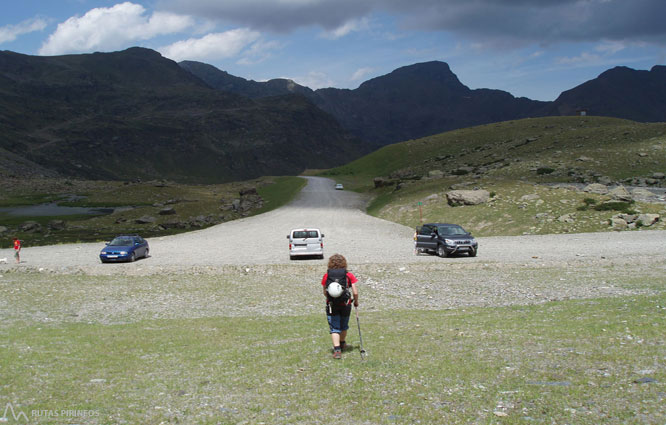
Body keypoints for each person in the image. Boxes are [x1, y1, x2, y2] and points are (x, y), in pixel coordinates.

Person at [321, 253, 358, 359]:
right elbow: (355, 291)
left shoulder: (327, 275)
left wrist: (330, 299)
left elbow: (324, 291)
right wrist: (356, 301)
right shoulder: (348, 275)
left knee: (334, 328)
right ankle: (342, 343)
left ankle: (337, 350)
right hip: (346, 304)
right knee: (344, 325)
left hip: (332, 305)